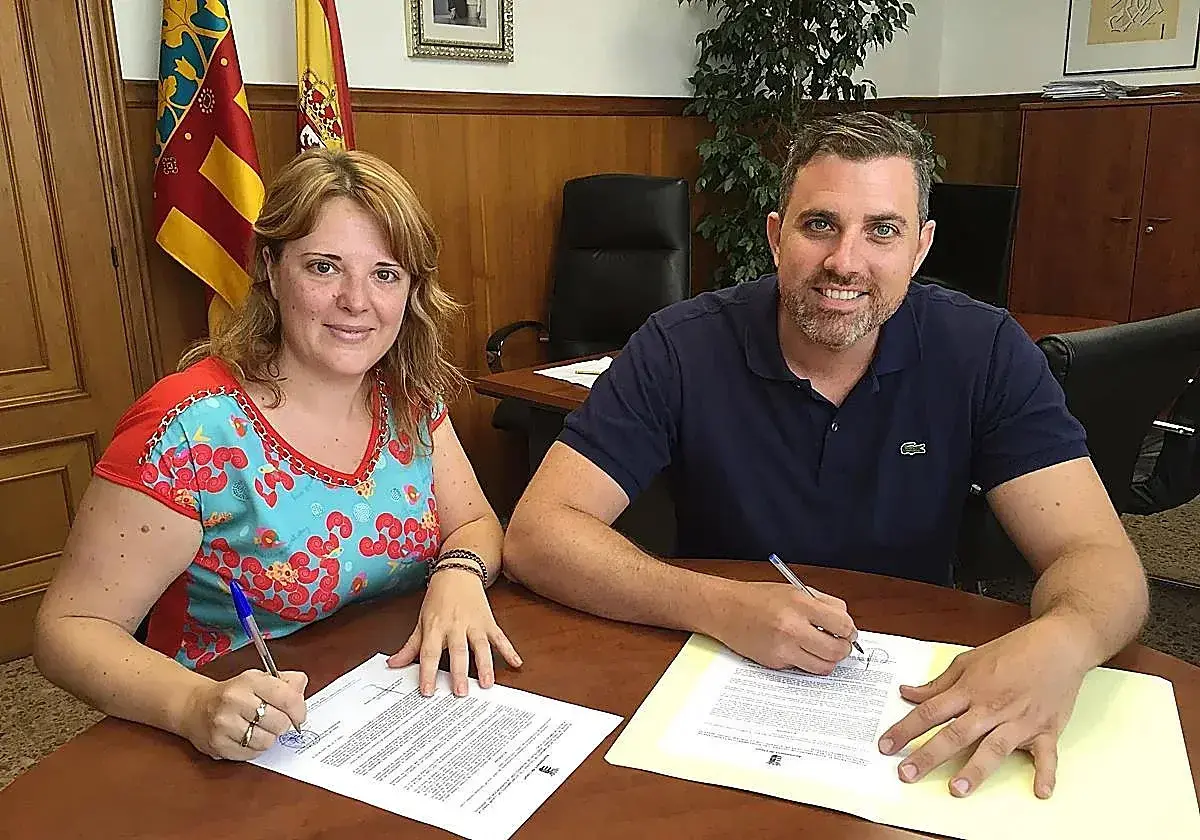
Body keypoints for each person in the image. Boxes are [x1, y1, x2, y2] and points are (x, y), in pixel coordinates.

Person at [503, 112, 1148, 800]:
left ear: (920, 248)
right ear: (777, 237)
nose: (846, 260)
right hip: (720, 681)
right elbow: (538, 534)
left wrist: (1065, 641)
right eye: (820, 225)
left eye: (883, 230)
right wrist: (718, 604)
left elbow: (1099, 557)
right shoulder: (679, 345)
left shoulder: (984, 349)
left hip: (908, 681)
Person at [34, 148, 521, 761]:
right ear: (269, 267)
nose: (356, 300)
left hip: (399, 712)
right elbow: (68, 631)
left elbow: (475, 523)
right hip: (241, 739)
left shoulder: (408, 396)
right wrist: (193, 704)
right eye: (323, 267)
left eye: (385, 273)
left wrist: (459, 574)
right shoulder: (189, 430)